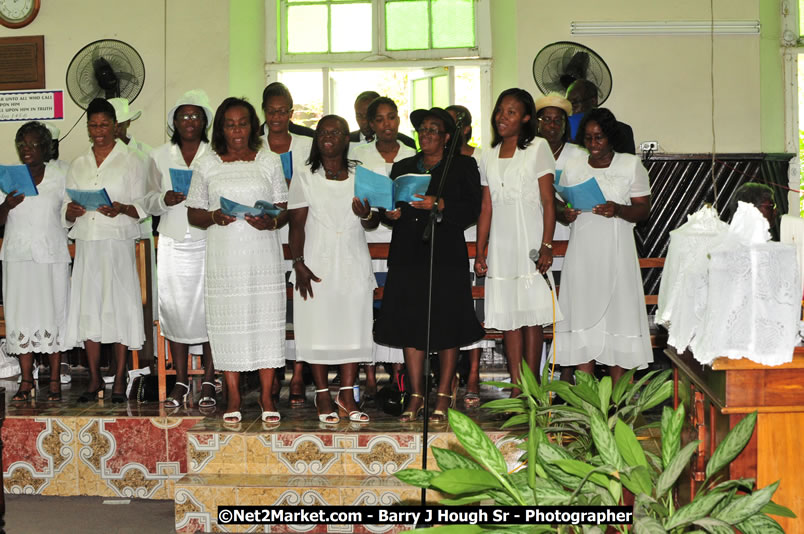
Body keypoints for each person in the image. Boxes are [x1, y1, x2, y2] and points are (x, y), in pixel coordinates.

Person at [375, 107, 483, 422]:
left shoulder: (463, 165)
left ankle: (445, 392)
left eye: (434, 130)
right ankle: (416, 393)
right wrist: (389, 214)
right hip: (409, 250)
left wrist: (442, 204)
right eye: (423, 129)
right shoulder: (404, 166)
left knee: (447, 322)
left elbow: (472, 208)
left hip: (445, 251)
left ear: (448, 136)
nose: (426, 135)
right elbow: (389, 205)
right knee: (410, 323)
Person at [186, 97, 287, 424]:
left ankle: (268, 396)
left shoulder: (270, 161)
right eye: (229, 124)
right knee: (228, 324)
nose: (237, 130)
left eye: (242, 123)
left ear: (252, 125)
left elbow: (282, 209)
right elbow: (194, 213)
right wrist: (215, 215)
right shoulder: (206, 164)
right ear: (221, 129)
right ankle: (232, 395)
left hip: (262, 256)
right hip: (225, 256)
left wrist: (270, 220)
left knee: (266, 322)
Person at [288, 115, 377, 423]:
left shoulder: (360, 174)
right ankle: (323, 394)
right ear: (316, 138)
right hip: (316, 259)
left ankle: (347, 394)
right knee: (318, 326)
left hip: (352, 255)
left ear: (345, 139)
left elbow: (373, 221)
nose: (329, 136)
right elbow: (296, 225)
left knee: (353, 324)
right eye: (323, 132)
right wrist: (297, 263)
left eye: (336, 132)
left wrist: (366, 216)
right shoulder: (304, 175)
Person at [474, 88, 562, 396]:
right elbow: (486, 206)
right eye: (500, 110)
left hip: (529, 240)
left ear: (525, 118)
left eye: (511, 112)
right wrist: (480, 249)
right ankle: (515, 386)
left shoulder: (538, 148)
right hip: (501, 243)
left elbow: (548, 201)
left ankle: (533, 384)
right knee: (510, 317)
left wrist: (547, 245)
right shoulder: (487, 155)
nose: (502, 117)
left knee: (531, 317)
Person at [555, 108, 653, 383]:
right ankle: (587, 397)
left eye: (599, 137)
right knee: (582, 313)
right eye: (588, 138)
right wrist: (566, 213)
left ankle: (619, 400)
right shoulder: (574, 167)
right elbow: (559, 203)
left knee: (618, 315)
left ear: (610, 138)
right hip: (583, 253)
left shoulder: (629, 164)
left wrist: (617, 210)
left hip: (617, 251)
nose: (593, 144)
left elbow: (643, 210)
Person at [62, 98, 148, 403]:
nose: (98, 131)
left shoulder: (133, 160)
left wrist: (122, 208)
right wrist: (70, 210)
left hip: (118, 240)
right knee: (89, 305)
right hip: (87, 241)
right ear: (88, 128)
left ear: (116, 126)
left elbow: (145, 203)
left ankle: (120, 373)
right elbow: (65, 207)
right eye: (93, 125)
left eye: (104, 125)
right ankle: (95, 377)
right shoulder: (78, 163)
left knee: (119, 304)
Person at [143, 89, 217, 408]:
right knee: (175, 309)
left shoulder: (216, 155)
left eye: (195, 116)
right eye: (183, 116)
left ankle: (211, 380)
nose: (189, 121)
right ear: (174, 121)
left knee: (211, 309)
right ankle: (182, 382)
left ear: (205, 122)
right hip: (173, 239)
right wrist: (163, 199)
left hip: (209, 239)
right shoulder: (159, 155)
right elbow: (146, 198)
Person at [351, 96, 416, 398]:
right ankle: (368, 375)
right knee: (368, 309)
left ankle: (400, 374)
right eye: (380, 119)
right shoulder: (358, 154)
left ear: (398, 120)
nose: (387, 124)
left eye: (392, 118)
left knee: (399, 307)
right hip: (367, 241)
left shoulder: (413, 153)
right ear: (370, 124)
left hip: (402, 243)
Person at [2, 122, 71, 402]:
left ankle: (53, 380)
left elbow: (68, 213)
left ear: (46, 147)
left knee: (53, 314)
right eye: (22, 145)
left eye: (32, 144)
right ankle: (26, 380)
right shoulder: (8, 176)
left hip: (51, 255)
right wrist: (7, 205)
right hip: (17, 257)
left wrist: (75, 213)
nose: (26, 149)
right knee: (22, 316)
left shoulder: (61, 176)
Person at [260, 81, 314, 407]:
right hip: (265, 234)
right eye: (272, 111)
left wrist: (297, 184)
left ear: (291, 113)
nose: (277, 116)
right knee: (271, 308)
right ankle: (273, 369)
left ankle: (298, 372)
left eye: (283, 111)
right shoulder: (253, 147)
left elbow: (320, 181)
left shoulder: (307, 146)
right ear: (264, 114)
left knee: (301, 307)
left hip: (301, 233)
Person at [444, 104, 491, 408]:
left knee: (476, 311)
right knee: (453, 310)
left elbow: (482, 203)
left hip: (477, 240)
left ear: (469, 128)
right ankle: (449, 377)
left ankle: (473, 373)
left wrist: (482, 247)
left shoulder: (480, 157)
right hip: (448, 244)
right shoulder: (438, 161)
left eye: (461, 123)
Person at [565, 80, 635, 155]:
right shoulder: (563, 130)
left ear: (593, 102)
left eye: (575, 103)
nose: (570, 108)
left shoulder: (622, 130)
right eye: (567, 103)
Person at [349, 91, 416, 151]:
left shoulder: (407, 143)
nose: (364, 121)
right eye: (359, 116)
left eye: (368, 116)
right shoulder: (345, 142)